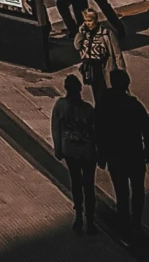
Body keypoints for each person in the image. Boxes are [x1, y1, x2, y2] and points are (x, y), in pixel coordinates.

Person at [96, 67, 149, 234]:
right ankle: (135, 223)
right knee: (138, 190)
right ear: (127, 84)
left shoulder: (104, 103)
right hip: (134, 154)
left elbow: (99, 130)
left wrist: (101, 155)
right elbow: (147, 129)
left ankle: (125, 224)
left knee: (121, 192)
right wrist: (147, 151)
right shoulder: (134, 105)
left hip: (115, 155)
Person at [53, 73, 99, 233]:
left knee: (76, 183)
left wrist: (58, 148)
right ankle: (90, 220)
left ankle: (79, 215)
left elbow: (56, 129)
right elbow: (96, 133)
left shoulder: (60, 106)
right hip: (87, 152)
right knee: (88, 186)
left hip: (70, 150)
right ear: (80, 89)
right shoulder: (88, 110)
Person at [75, 5, 123, 104]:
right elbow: (77, 46)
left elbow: (117, 53)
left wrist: (121, 69)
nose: (87, 23)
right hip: (91, 67)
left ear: (96, 20)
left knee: (107, 92)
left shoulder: (107, 33)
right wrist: (80, 33)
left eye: (90, 20)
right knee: (96, 92)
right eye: (86, 21)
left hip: (105, 66)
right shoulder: (85, 33)